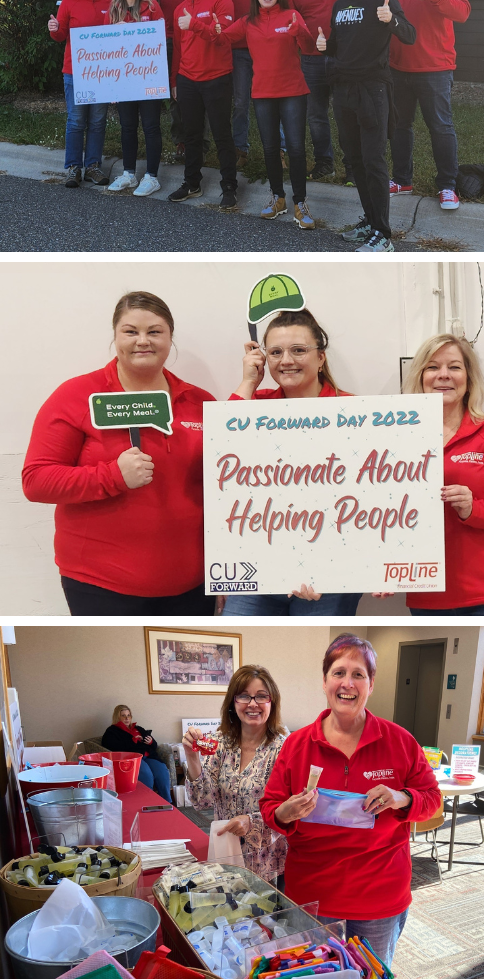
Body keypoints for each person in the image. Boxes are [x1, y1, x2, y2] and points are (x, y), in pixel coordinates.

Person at [22, 291, 214, 616]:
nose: (143, 341)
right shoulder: (76, 396)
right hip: (101, 586)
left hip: (194, 586)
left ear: (170, 338)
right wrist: (112, 475)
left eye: (154, 331)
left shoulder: (200, 401)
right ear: (115, 337)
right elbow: (36, 481)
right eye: (130, 331)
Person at [260, 635, 441, 961]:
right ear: (325, 681)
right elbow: (270, 807)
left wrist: (401, 798)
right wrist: (285, 811)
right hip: (314, 897)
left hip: (380, 898)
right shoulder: (297, 745)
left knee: (372, 971)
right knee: (315, 971)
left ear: (371, 684)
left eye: (359, 674)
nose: (348, 683)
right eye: (339, 672)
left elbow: (432, 800)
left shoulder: (400, 741)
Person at [223, 308, 361, 615]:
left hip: (330, 574)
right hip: (260, 566)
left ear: (321, 357)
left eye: (299, 350)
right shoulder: (254, 406)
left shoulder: (355, 411)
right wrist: (248, 381)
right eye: (275, 352)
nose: (286, 360)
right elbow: (223, 449)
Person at [401, 334, 484, 615]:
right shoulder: (400, 437)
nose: (443, 375)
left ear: (469, 378)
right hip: (428, 594)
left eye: (455, 367)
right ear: (420, 376)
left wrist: (474, 510)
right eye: (432, 367)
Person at [199, 0, 317, 228]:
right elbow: (220, 40)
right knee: (270, 148)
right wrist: (209, 27)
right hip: (263, 93)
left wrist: (301, 32)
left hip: (293, 91)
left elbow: (308, 47)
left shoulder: (291, 16)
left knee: (295, 148)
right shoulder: (247, 22)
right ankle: (278, 197)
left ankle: (300, 202)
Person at [318, 0, 416, 253]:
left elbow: (410, 35)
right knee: (355, 160)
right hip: (344, 90)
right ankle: (371, 222)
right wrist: (324, 45)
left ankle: (384, 235)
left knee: (374, 161)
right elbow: (338, 46)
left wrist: (391, 20)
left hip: (372, 89)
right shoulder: (339, 6)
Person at [381, 0, 471, 211]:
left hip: (435, 68)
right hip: (398, 67)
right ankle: (401, 180)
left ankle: (447, 186)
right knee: (400, 126)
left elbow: (463, 12)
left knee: (440, 127)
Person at [183, 664, 288, 885]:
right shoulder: (220, 742)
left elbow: (289, 810)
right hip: (225, 854)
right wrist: (191, 757)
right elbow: (202, 802)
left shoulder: (284, 748)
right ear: (233, 702)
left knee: (263, 916)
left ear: (272, 702)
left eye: (261, 696)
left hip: (265, 861)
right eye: (244, 696)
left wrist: (253, 822)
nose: (252, 704)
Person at [216, 0, 292, 167]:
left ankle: (279, 149)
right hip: (240, 47)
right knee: (240, 101)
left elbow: (288, 5)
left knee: (273, 96)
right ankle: (240, 148)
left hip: (268, 46)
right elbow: (215, 1)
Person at [168, 0, 239, 209]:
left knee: (221, 134)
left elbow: (223, 39)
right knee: (192, 134)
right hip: (187, 79)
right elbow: (178, 47)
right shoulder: (178, 9)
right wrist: (175, 78)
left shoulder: (222, 1)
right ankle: (192, 183)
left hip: (217, 77)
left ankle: (229, 186)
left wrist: (196, 24)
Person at [149, 0, 217, 154]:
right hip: (168, 38)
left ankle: (202, 142)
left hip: (200, 35)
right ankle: (181, 140)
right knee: (175, 91)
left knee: (202, 91)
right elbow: (142, 1)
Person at [290, 0, 349, 182]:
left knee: (348, 112)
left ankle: (354, 165)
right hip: (311, 57)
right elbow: (290, 18)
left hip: (344, 56)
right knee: (316, 115)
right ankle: (325, 163)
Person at [49, 0, 111, 188]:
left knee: (97, 121)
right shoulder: (69, 1)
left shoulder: (110, 2)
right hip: (75, 71)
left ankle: (93, 166)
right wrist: (55, 30)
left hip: (102, 73)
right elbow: (61, 34)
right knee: (76, 120)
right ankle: (74, 167)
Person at [106, 0, 166, 197]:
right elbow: (104, 51)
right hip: (124, 81)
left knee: (151, 126)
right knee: (128, 126)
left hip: (149, 76)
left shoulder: (152, 6)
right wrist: (115, 32)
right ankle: (129, 173)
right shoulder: (112, 10)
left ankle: (152, 176)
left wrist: (138, 30)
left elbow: (161, 39)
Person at [101, 705, 172, 801]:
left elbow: (154, 746)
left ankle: (166, 801)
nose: (127, 718)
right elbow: (111, 746)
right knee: (147, 775)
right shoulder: (112, 731)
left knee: (162, 771)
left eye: (129, 715)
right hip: (133, 758)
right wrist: (133, 741)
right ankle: (148, 802)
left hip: (149, 756)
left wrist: (150, 741)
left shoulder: (138, 728)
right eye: (123, 715)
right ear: (117, 717)